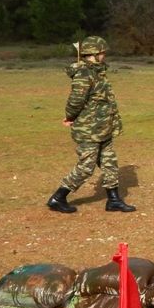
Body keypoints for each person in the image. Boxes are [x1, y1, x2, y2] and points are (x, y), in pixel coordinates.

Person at [46, 36, 136, 214]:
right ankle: (58, 197)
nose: (104, 55)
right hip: (89, 129)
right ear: (94, 53)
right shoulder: (84, 74)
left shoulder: (97, 71)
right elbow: (75, 100)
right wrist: (70, 116)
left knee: (109, 163)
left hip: (103, 127)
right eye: (102, 52)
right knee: (86, 166)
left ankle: (114, 200)